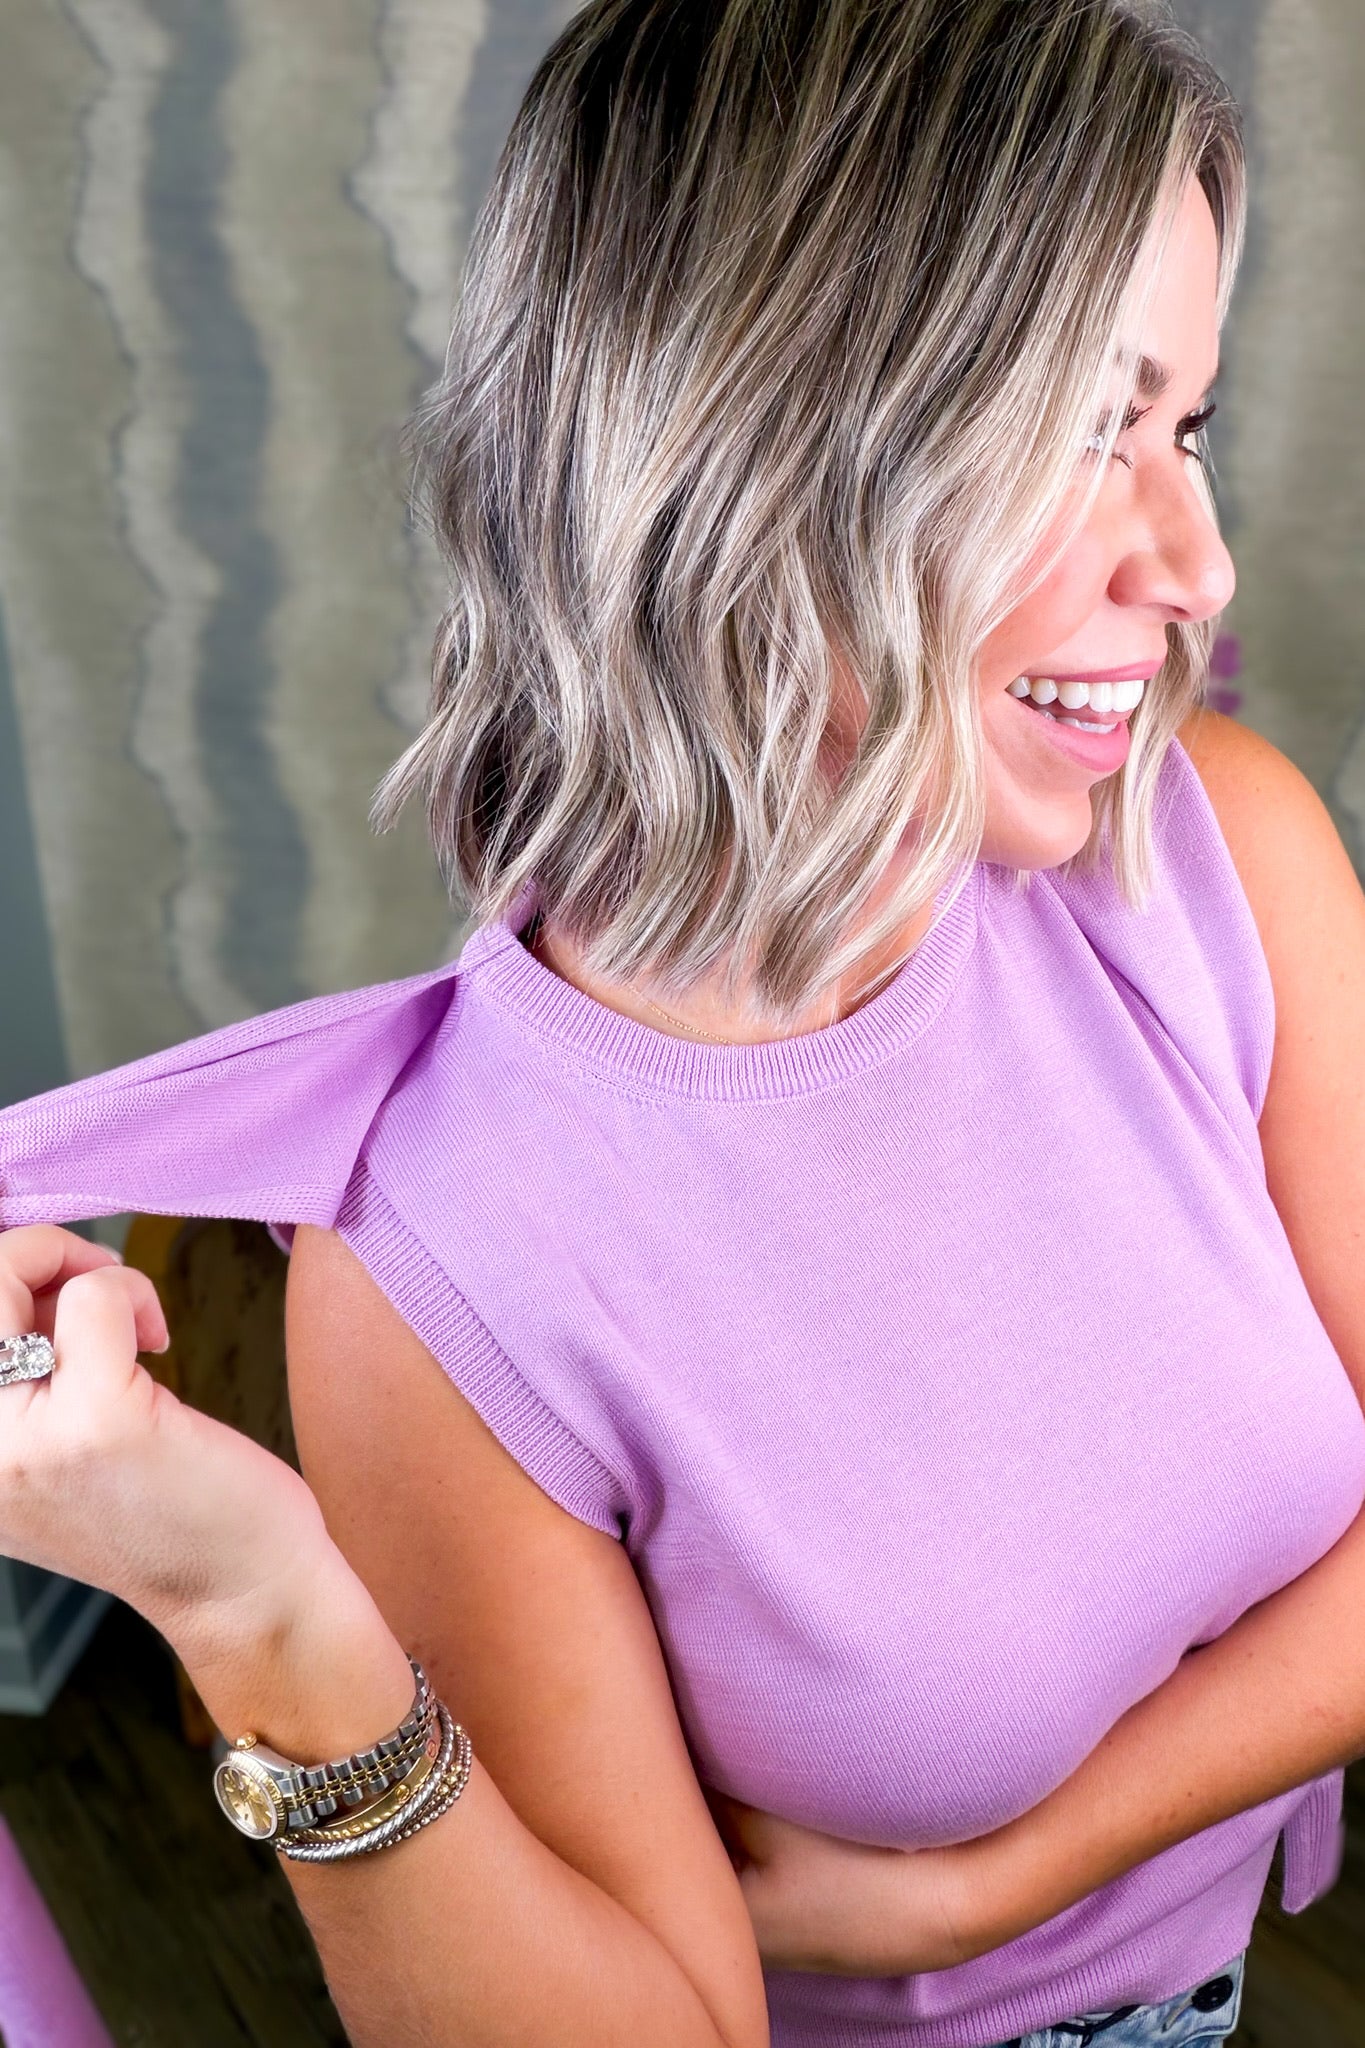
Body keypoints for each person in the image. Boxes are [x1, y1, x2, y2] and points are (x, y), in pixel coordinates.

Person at [2, 1, 1365, 2043]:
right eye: (1091, 429)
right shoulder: (447, 1256)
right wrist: (257, 1612)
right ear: (763, 444)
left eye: (1183, 427)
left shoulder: (1211, 861)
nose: (1197, 563)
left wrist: (996, 1879)